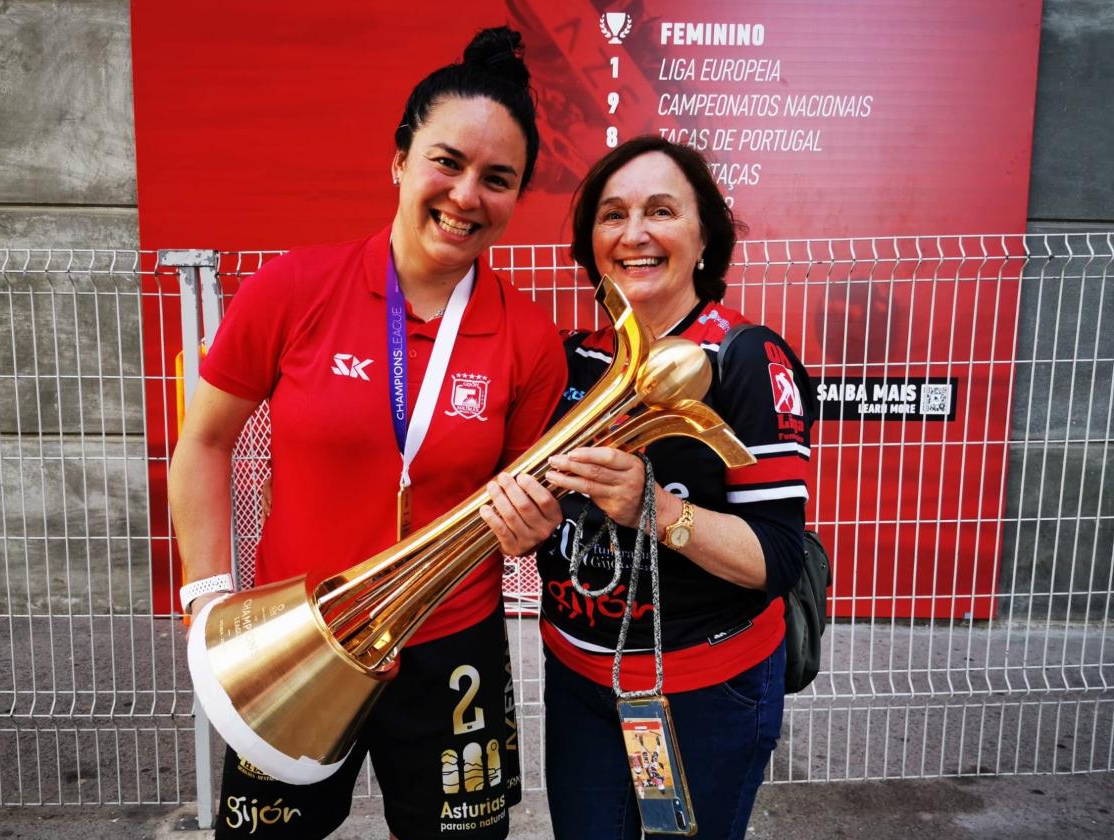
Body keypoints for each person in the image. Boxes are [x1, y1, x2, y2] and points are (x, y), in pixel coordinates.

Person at [167, 27, 566, 840]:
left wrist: (535, 529)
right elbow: (204, 442)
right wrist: (208, 600)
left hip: (450, 646)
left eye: (498, 180)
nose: (465, 197)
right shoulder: (294, 287)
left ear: (518, 197)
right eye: (446, 162)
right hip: (296, 640)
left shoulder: (529, 339)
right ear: (399, 159)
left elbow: (525, 508)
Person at [536, 135, 815, 839]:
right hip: (576, 681)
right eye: (613, 214)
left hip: (702, 691)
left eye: (660, 211)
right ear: (590, 240)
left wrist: (654, 510)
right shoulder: (572, 360)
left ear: (703, 237)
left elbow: (775, 560)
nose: (635, 234)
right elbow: (546, 523)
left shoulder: (747, 357)